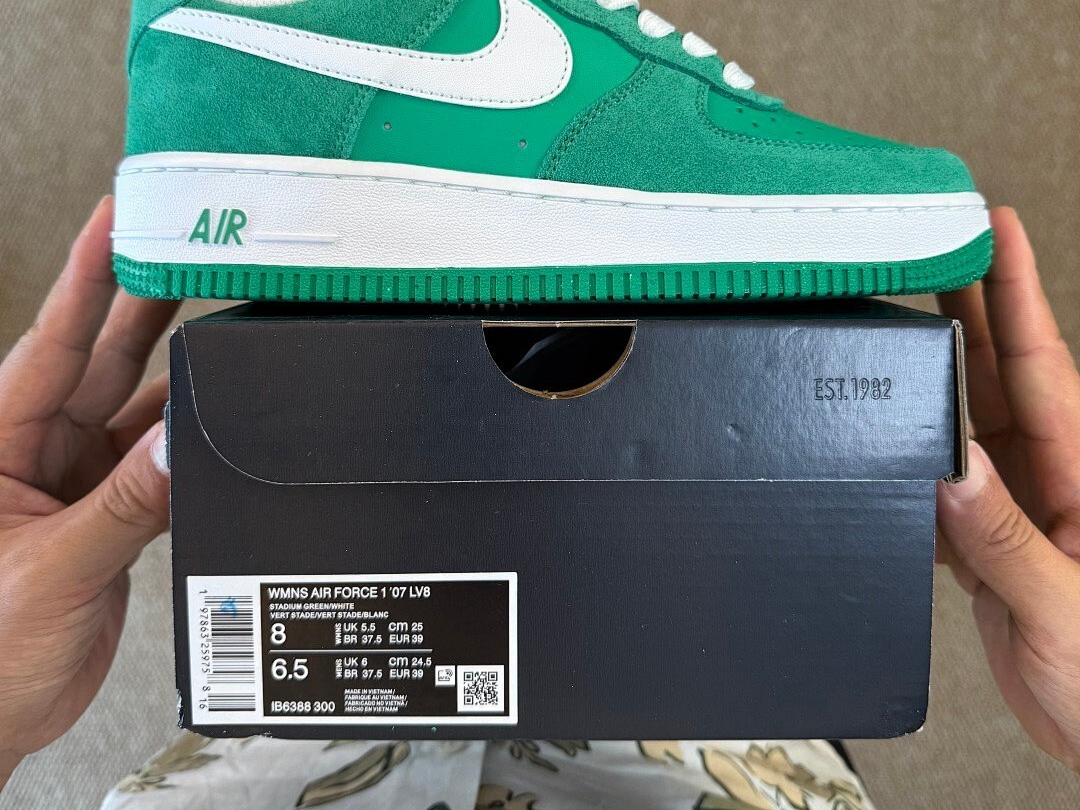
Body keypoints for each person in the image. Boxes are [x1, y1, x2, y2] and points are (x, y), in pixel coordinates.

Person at [0, 199, 1076, 808]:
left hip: (289, 745)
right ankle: (720, 638)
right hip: (700, 747)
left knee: (276, 690)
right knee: (729, 679)